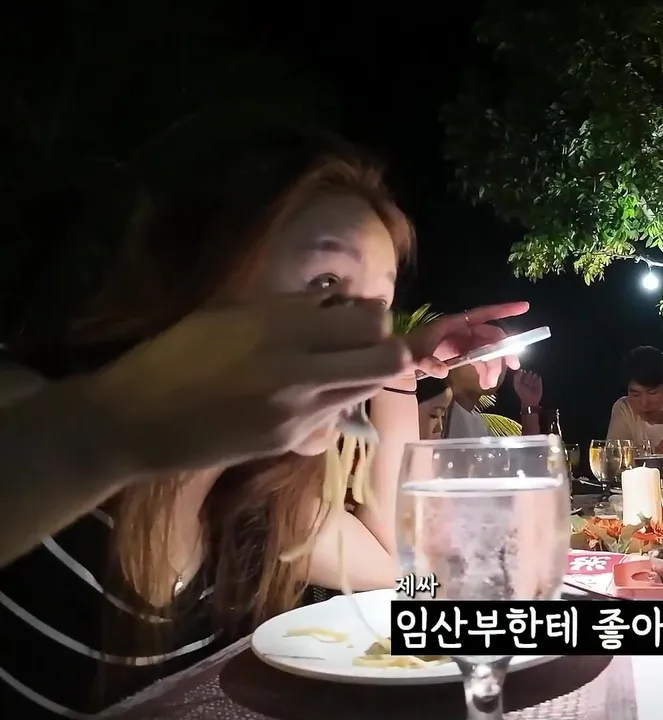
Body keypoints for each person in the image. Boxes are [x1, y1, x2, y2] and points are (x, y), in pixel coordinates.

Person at [0, 129, 527, 717]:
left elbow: (405, 571)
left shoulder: (257, 503)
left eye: (377, 307)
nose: (364, 333)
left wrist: (397, 375)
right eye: (325, 284)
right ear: (197, 272)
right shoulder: (31, 407)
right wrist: (114, 431)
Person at [441, 366, 543, 437]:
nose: (498, 366)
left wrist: (529, 404)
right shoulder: (438, 418)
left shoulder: (479, 425)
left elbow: (527, 458)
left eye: (503, 358)